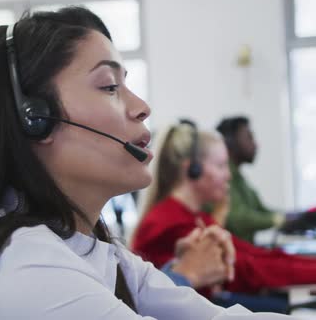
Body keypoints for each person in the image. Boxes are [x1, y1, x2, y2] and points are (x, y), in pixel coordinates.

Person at [0, 7, 295, 319]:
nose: (142, 108)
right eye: (110, 87)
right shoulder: (26, 267)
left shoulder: (95, 251)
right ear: (35, 118)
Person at [132, 122, 316, 313]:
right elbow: (250, 270)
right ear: (193, 170)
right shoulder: (169, 222)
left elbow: (254, 256)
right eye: (221, 166)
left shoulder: (194, 216)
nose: (228, 176)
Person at [215, 116, 285, 242]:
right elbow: (239, 220)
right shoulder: (225, 177)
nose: (256, 144)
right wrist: (276, 220)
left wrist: (292, 217)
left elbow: (261, 211)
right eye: (249, 137)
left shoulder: (240, 180)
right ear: (231, 142)